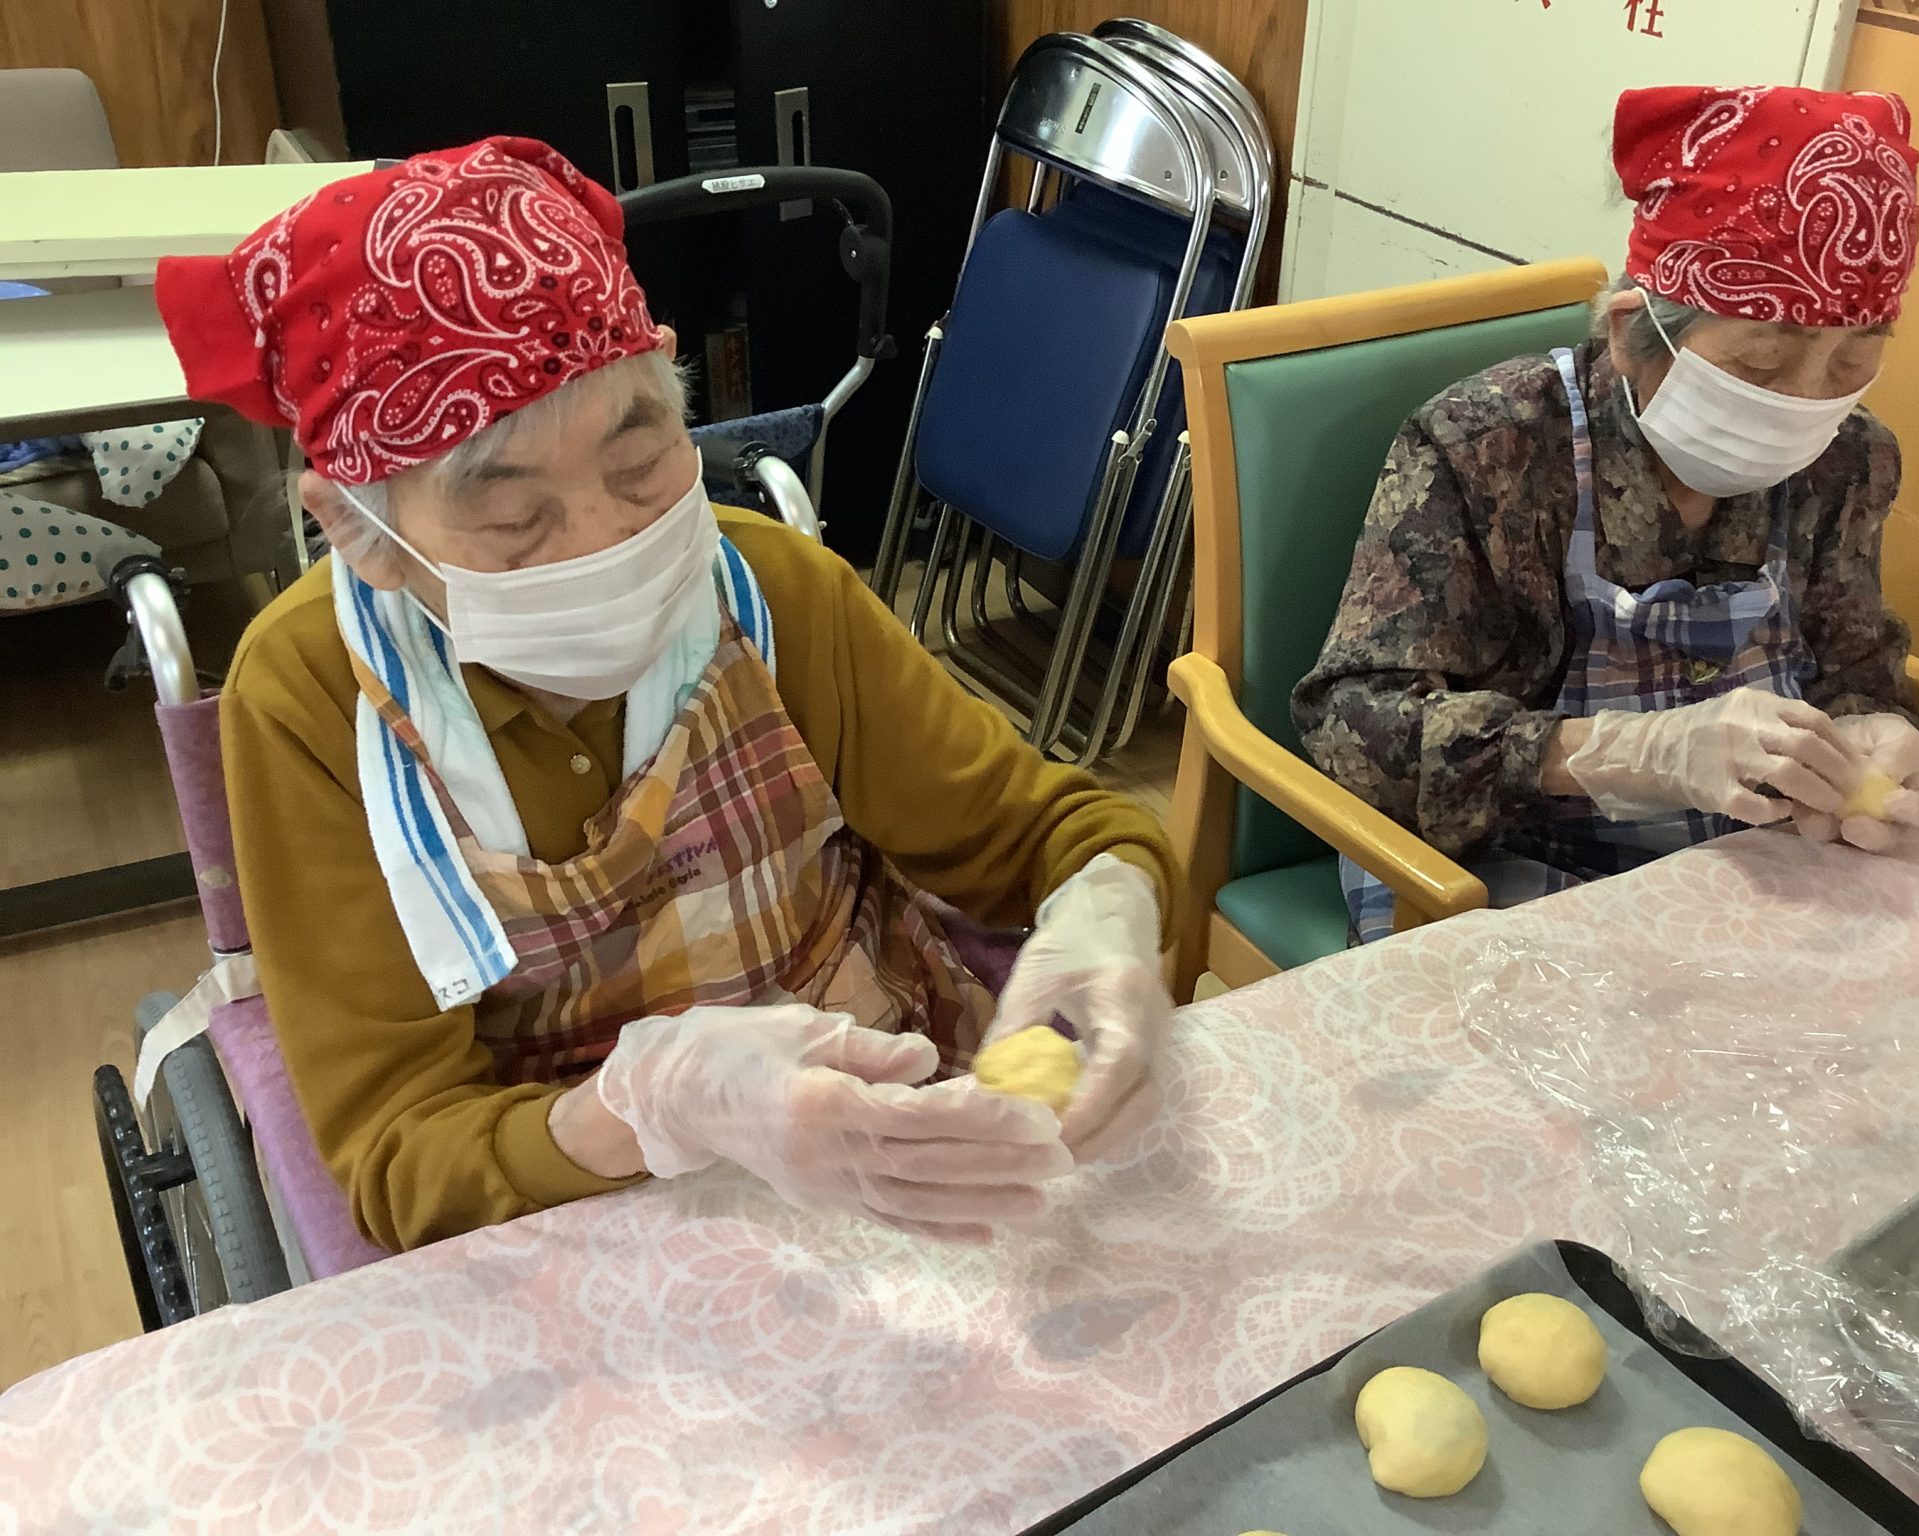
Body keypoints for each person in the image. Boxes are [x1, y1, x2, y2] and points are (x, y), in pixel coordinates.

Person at [153, 137, 1181, 1251]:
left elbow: (1053, 832)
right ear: (360, 530)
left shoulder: (775, 592)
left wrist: (1109, 910)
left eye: (638, 469)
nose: (604, 540)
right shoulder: (310, 699)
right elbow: (405, 1156)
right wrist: (646, 1108)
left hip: (882, 1131)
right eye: (513, 522)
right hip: (578, 1210)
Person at [1293, 86, 1919, 945]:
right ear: (1636, 334)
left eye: (1852, 364)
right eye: (1760, 365)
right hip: (1501, 874)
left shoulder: (1850, 458)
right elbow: (1353, 726)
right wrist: (1630, 753)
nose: (1805, 403)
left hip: (1750, 871)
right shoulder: (1491, 445)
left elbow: (1853, 665)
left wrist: (1873, 733)